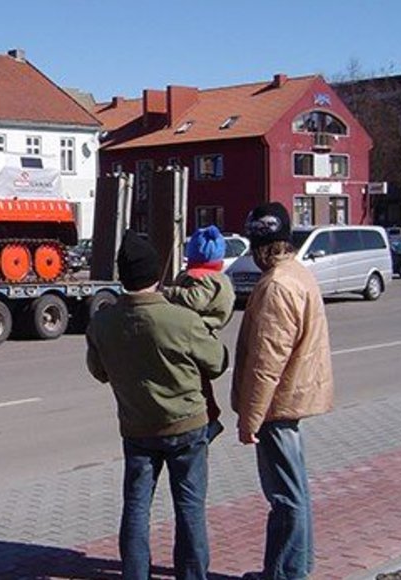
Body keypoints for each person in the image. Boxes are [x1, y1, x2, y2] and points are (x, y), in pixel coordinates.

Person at [86, 229, 228, 580]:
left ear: (123, 278)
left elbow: (98, 371)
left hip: (137, 429)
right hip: (187, 427)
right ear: (157, 275)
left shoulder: (102, 322)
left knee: (136, 507)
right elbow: (218, 363)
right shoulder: (182, 319)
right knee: (190, 508)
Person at [231, 202, 334, 580]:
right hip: (293, 397)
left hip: (277, 405)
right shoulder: (298, 274)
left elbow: (266, 362)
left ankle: (283, 574)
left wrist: (250, 418)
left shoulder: (276, 285)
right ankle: (297, 567)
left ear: (262, 245)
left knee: (285, 497)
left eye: (251, 244)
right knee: (297, 491)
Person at [162, 225, 236, 441]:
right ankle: (209, 418)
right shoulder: (209, 278)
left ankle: (211, 420)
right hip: (197, 332)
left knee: (199, 383)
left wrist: (170, 292)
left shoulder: (207, 280)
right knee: (198, 383)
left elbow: (195, 299)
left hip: (199, 333)